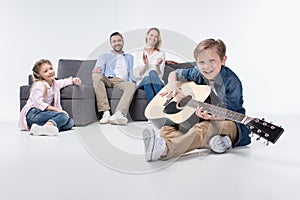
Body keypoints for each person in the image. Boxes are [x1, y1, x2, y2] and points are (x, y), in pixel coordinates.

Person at [143, 38, 251, 161]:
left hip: (230, 123)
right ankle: (214, 143)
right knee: (166, 130)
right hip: (200, 119)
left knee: (203, 128)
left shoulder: (232, 82)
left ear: (223, 60)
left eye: (212, 61)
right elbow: (175, 74)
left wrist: (212, 116)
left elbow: (229, 112)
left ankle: (164, 150)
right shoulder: (198, 73)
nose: (207, 67)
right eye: (201, 62)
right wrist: (173, 86)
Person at [19, 59, 81, 136]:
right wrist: (58, 110)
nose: (50, 72)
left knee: (70, 122)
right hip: (33, 114)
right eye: (45, 71)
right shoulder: (39, 85)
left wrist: (73, 80)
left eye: (51, 68)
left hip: (44, 114)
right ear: (39, 75)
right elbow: (39, 104)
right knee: (63, 116)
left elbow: (64, 82)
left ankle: (42, 128)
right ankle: (47, 126)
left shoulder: (55, 83)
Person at [92, 32, 136, 125]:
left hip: (121, 82)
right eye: (114, 41)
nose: (117, 43)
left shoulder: (130, 57)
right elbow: (99, 68)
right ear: (111, 44)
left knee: (132, 85)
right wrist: (97, 69)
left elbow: (132, 72)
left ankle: (118, 114)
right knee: (95, 75)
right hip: (108, 79)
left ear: (123, 42)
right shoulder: (104, 56)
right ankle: (105, 112)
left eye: (119, 40)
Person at [133, 27, 166, 102]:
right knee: (146, 78)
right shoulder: (138, 53)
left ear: (158, 39)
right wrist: (145, 65)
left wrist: (157, 65)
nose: (153, 38)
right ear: (147, 36)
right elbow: (136, 75)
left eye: (156, 37)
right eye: (151, 35)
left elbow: (160, 75)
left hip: (156, 81)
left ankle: (152, 110)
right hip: (141, 82)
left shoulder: (160, 54)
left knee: (151, 74)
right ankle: (163, 101)